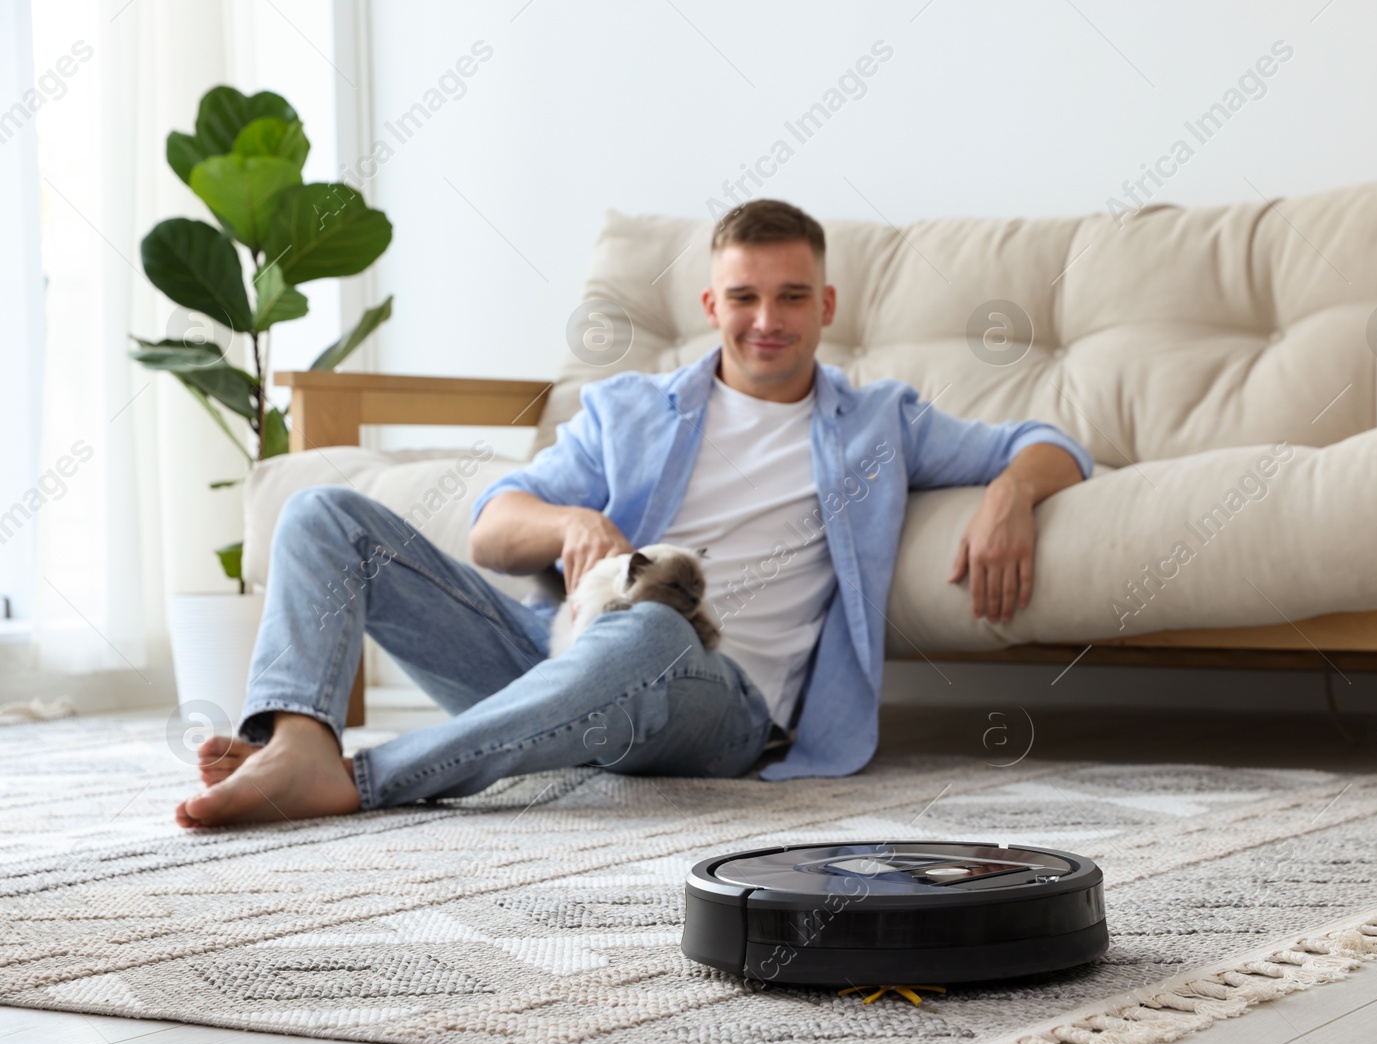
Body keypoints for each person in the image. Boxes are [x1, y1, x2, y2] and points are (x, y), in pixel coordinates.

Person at [173, 199, 1091, 829]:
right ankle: (299, 741)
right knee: (324, 514)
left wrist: (1011, 491)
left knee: (652, 633)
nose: (766, 319)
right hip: (554, 655)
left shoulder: (881, 424)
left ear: (827, 306)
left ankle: (364, 779)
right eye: (744, 296)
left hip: (715, 705)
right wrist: (570, 523)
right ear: (711, 305)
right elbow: (496, 528)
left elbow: (1051, 444)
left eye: (791, 296)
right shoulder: (629, 409)